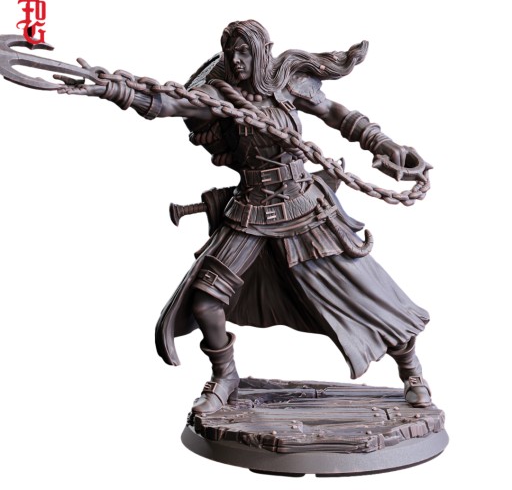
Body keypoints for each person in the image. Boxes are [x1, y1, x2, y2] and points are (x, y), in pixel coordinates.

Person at [59, 20, 432, 414]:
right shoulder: (219, 95)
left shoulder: (289, 83)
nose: (237, 60)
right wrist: (112, 89)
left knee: (367, 296)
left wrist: (383, 144)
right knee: (205, 301)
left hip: (303, 207)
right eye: (231, 52)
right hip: (249, 209)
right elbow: (168, 104)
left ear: (262, 52)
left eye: (244, 52)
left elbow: (337, 114)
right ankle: (225, 377)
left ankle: (412, 372)